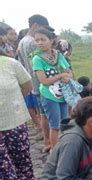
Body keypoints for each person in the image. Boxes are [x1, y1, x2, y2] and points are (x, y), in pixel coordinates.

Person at [0, 52, 35, 180]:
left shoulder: (10, 63)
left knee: (20, 153)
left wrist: (15, 99)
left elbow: (27, 84)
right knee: (2, 161)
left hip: (14, 118)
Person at [17, 14, 54, 152]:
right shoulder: (33, 43)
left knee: (43, 114)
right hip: (42, 83)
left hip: (33, 82)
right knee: (47, 115)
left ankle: (47, 140)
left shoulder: (22, 42)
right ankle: (50, 141)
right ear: (35, 25)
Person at [32, 28, 72, 149]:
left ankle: (64, 147)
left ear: (51, 40)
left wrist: (67, 77)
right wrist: (60, 75)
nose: (39, 42)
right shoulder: (37, 59)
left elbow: (69, 72)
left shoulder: (58, 55)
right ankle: (54, 151)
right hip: (49, 95)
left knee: (65, 122)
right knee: (54, 125)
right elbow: (43, 81)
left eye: (43, 39)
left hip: (63, 94)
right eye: (37, 40)